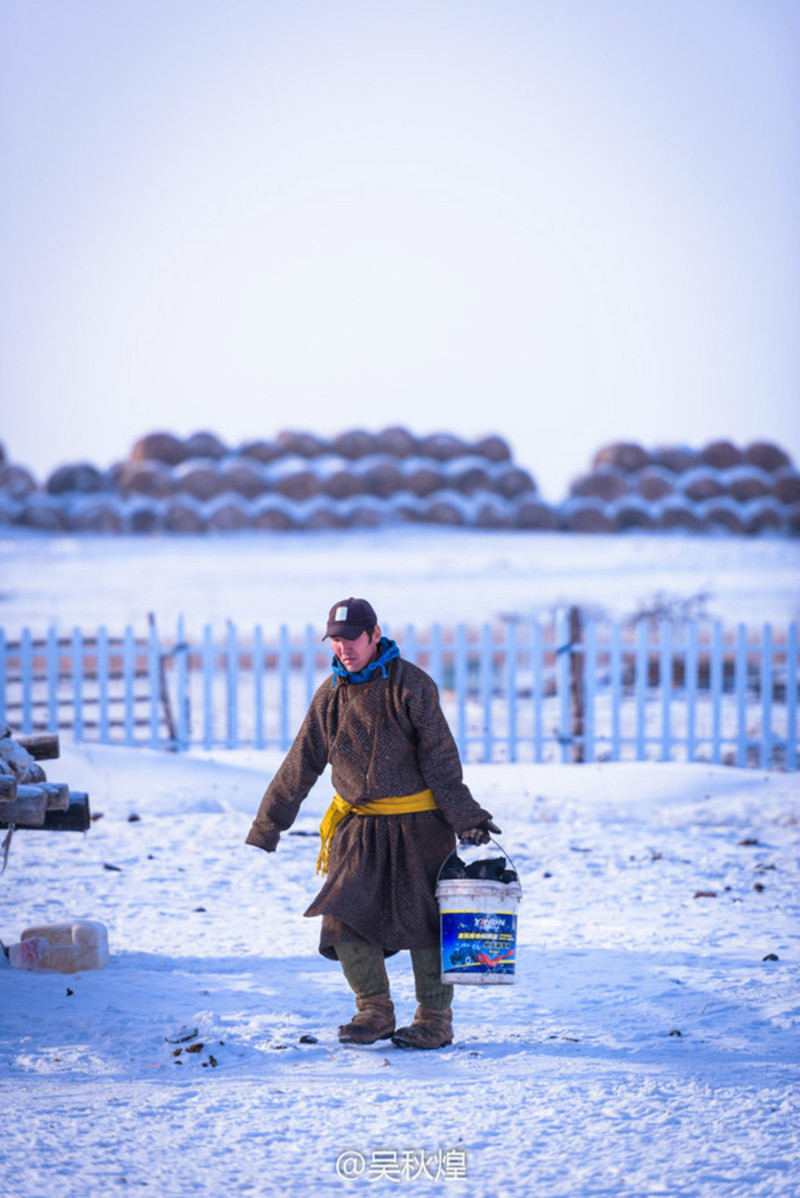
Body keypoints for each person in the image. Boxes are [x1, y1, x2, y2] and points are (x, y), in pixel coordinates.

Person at [246, 597, 500, 1050]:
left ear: (374, 636)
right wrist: (269, 824)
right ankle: (375, 1011)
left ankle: (435, 1020)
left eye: (351, 639)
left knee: (426, 921)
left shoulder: (413, 687)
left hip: (420, 826)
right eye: (336, 641)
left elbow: (441, 761)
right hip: (359, 829)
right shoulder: (330, 694)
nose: (343, 649)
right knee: (343, 914)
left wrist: (467, 818)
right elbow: (301, 762)